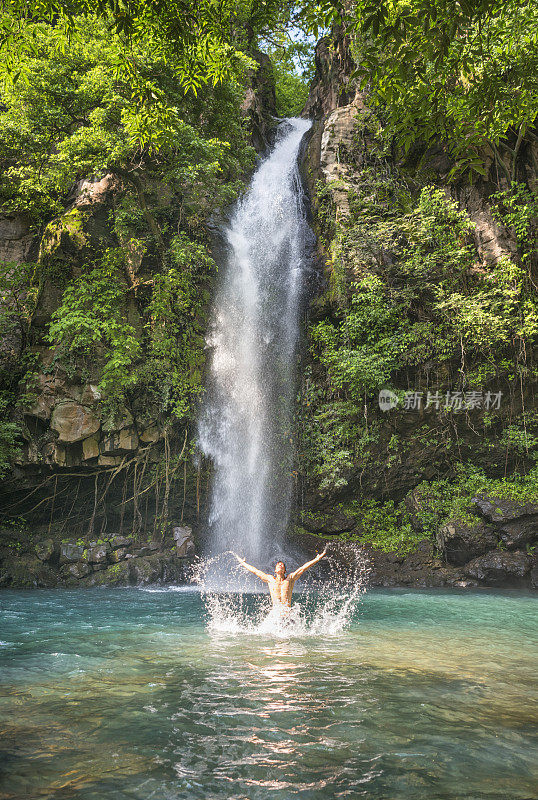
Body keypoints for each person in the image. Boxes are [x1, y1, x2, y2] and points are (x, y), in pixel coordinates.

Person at [234, 547, 328, 612]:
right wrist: (243, 563)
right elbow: (255, 571)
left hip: (288, 614)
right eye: (278, 565)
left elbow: (304, 568)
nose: (280, 565)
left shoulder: (290, 578)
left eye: (282, 565)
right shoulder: (270, 579)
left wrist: (317, 559)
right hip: (276, 615)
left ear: (284, 571)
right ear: (275, 570)